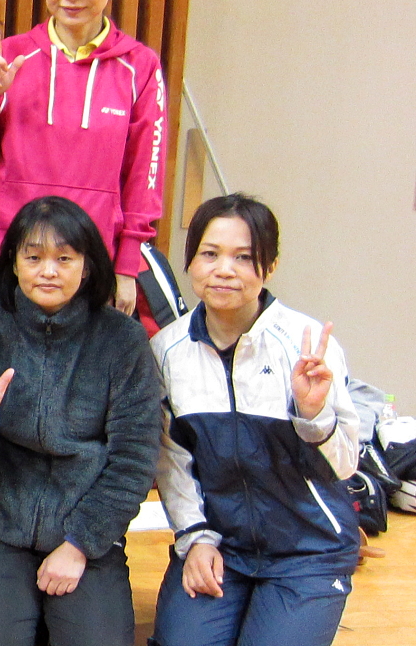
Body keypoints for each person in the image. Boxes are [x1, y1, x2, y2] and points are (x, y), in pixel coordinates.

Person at [0, 195, 161, 646]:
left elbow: (134, 460)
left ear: (88, 266)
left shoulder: (123, 340)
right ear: (13, 263)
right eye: (33, 257)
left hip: (86, 527)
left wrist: (80, 544)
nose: (48, 271)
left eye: (64, 258)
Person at [150, 194, 359, 646]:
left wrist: (313, 414)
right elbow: (173, 462)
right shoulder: (166, 350)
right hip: (222, 545)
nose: (224, 270)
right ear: (191, 261)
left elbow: (345, 466)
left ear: (271, 265)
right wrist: (196, 539)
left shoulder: (306, 346)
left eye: (243, 257)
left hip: (308, 550)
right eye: (210, 254)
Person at [0, 0, 166, 318]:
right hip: (3, 254)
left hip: (88, 263)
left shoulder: (140, 66)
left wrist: (126, 266)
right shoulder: (9, 57)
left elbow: (144, 177)